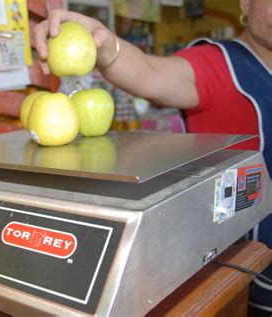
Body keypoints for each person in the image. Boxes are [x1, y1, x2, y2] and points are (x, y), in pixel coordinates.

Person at [35, 0, 271, 314]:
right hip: (248, 270)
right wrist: (105, 47)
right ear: (246, 3)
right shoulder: (221, 63)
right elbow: (150, 74)